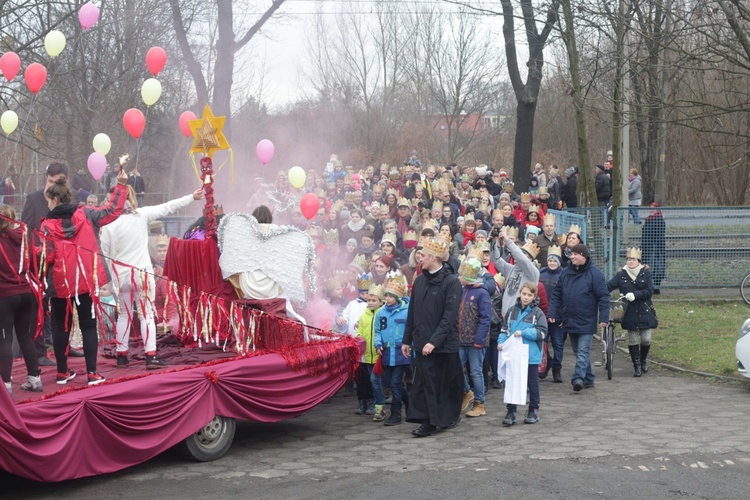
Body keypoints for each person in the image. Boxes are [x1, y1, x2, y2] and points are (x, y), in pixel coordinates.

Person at [41, 169, 129, 386]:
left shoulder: (46, 226)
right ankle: (92, 373)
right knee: (88, 326)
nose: (48, 206)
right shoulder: (87, 214)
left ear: (54, 199)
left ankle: (62, 372)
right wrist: (121, 185)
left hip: (60, 284)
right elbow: (112, 210)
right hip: (85, 281)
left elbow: (45, 256)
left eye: (49, 201)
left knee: (61, 326)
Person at [100, 185, 204, 369]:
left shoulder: (108, 224)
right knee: (147, 314)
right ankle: (151, 356)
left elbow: (104, 254)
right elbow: (168, 206)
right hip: (141, 275)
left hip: (122, 277)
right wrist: (192, 197)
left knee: (124, 314)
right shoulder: (141, 215)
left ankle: (122, 355)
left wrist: (110, 280)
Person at [401, 236, 464, 437]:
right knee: (424, 384)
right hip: (422, 343)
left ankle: (446, 418)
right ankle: (427, 421)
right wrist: (406, 340)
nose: (420, 259)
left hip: (444, 345)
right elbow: (412, 312)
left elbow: (449, 317)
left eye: (424, 255)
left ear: (434, 258)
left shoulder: (451, 282)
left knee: (445, 384)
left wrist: (434, 341)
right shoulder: (419, 281)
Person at [21, 162, 75, 367]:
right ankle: (39, 351)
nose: (51, 186)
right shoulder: (33, 199)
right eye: (49, 181)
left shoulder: (69, 201)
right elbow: (25, 230)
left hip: (62, 263)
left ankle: (66, 346)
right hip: (38, 263)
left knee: (66, 306)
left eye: (56, 182)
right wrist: (32, 257)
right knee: (39, 307)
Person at [547, 243, 610, 391]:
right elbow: (557, 294)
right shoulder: (565, 273)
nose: (572, 257)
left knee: (582, 352)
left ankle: (578, 378)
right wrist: (552, 312)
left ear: (583, 256)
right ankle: (589, 378)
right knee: (578, 351)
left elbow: (603, 297)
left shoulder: (595, 274)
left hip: (586, 321)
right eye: (571, 254)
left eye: (575, 254)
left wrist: (604, 318)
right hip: (570, 319)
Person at [0, 204, 42, 395]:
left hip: (6, 295)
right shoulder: (24, 237)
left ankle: (6, 384)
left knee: (5, 339)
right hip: (26, 292)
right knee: (25, 335)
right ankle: (34, 378)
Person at [498, 282, 547, 425]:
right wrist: (501, 342)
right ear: (520, 294)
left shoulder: (538, 313)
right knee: (512, 382)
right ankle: (511, 411)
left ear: (534, 297)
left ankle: (533, 410)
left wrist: (524, 333)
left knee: (532, 383)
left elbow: (542, 332)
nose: (526, 297)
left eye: (529, 295)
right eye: (524, 294)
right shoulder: (511, 311)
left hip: (531, 355)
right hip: (514, 354)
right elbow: (505, 330)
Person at [607, 247, 657, 377]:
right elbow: (608, 287)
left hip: (644, 308)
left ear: (638, 261)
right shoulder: (621, 274)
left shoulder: (645, 273)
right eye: (628, 259)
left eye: (633, 259)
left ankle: (643, 360)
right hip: (629, 311)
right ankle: (637, 366)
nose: (630, 262)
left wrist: (635, 294)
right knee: (633, 339)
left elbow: (649, 290)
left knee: (646, 339)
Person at [456, 257, 491, 418]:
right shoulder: (462, 290)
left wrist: (479, 339)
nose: (458, 277)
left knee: (476, 371)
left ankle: (479, 403)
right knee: (455, 367)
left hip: (476, 342)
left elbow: (485, 318)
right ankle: (465, 391)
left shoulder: (481, 293)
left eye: (460, 275)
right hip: (461, 339)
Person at [374, 273, 411, 426]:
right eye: (386, 296)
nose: (387, 299)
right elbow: (378, 330)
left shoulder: (406, 311)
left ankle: (396, 413)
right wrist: (378, 344)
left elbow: (411, 330)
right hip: (387, 354)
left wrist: (410, 346)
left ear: (397, 296)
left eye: (390, 296)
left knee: (396, 382)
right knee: (389, 382)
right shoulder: (381, 312)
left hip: (401, 354)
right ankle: (409, 401)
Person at [539, 246, 565, 382]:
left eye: (555, 261)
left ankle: (557, 368)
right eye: (550, 260)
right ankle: (547, 361)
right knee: (543, 342)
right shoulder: (540, 273)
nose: (552, 263)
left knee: (558, 343)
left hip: (558, 316)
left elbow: (566, 297)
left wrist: (563, 316)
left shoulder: (564, 275)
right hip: (542, 315)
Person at [642, 203, 665, 294]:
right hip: (649, 246)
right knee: (650, 265)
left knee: (655, 266)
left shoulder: (658, 220)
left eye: (653, 208)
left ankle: (655, 286)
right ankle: (651, 285)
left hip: (655, 247)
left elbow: (657, 234)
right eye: (650, 208)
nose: (651, 210)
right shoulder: (650, 219)